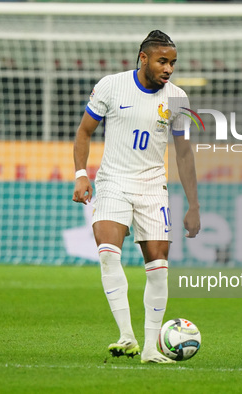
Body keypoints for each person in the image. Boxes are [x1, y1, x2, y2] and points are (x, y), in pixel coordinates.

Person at [72, 30, 200, 364]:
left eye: (173, 62)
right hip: (113, 181)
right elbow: (85, 131)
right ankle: (126, 335)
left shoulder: (178, 99)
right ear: (143, 58)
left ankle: (149, 348)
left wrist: (193, 205)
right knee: (108, 253)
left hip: (153, 187)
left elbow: (184, 154)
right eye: (163, 61)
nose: (169, 68)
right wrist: (81, 173)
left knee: (158, 268)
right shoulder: (111, 86)